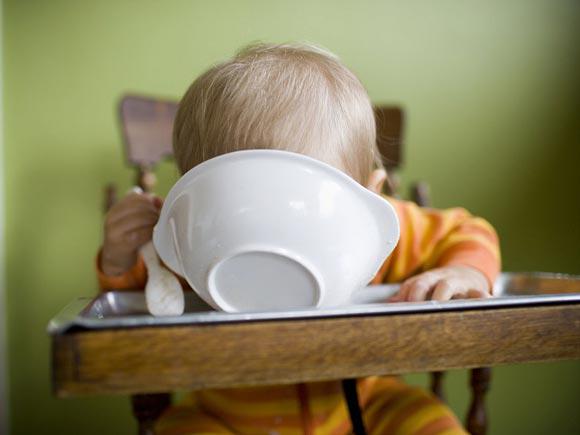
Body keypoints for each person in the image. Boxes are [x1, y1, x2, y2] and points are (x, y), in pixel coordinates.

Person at [98, 43, 500, 435]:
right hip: (226, 416)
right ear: (195, 206)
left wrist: (464, 271)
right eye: (244, 207)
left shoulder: (383, 229)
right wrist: (122, 259)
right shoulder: (187, 238)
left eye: (300, 208)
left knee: (426, 420)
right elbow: (142, 304)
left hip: (366, 405)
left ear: (370, 199)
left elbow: (467, 231)